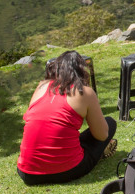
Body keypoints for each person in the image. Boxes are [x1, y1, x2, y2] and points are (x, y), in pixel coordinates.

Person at [17, 50, 117, 185]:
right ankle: (99, 153)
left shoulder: (41, 86)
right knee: (110, 123)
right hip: (66, 171)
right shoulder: (84, 91)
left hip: (27, 173)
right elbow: (101, 135)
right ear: (82, 71)